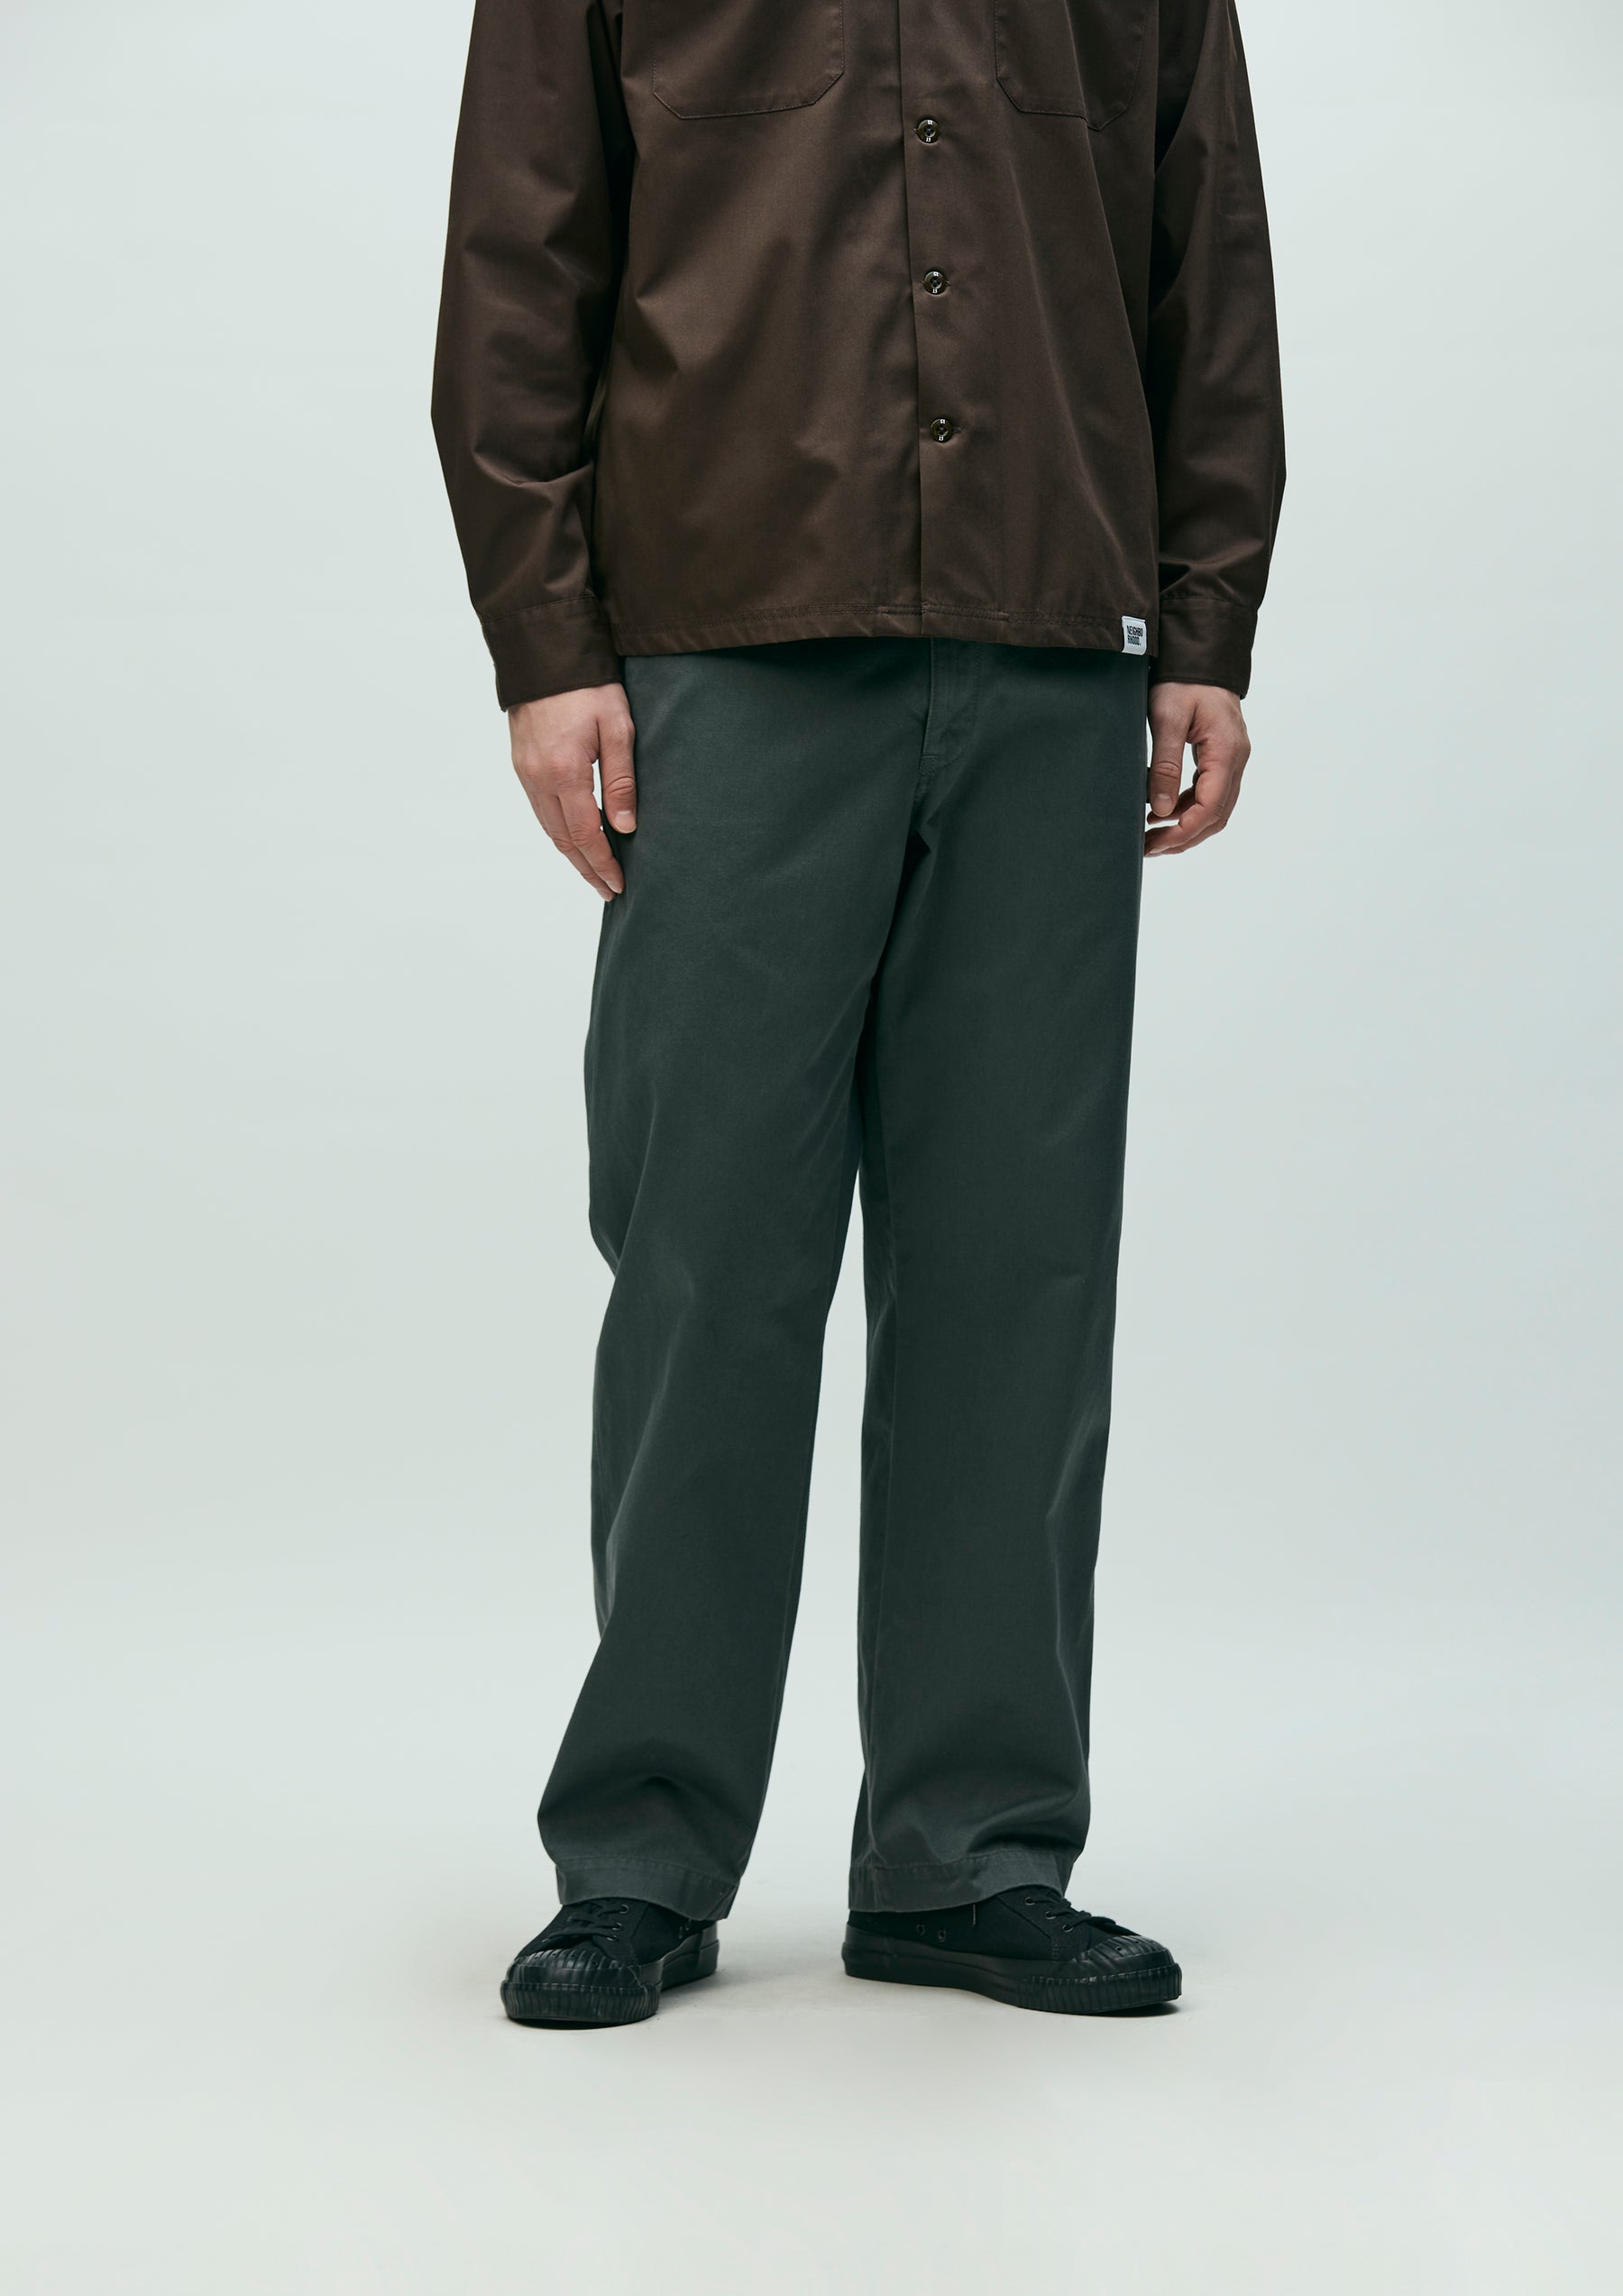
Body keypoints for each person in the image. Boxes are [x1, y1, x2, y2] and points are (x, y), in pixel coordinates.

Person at [432, 0, 1284, 2026]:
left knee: (1018, 1267)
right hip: (726, 642)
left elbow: (1208, 252)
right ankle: (640, 1854)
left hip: (1053, 632)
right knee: (707, 1256)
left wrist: (1209, 613)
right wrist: (546, 644)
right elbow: (520, 258)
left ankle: (968, 1857)